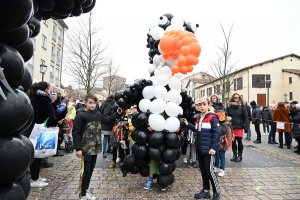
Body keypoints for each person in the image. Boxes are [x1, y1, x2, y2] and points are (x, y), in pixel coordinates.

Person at [72, 94, 122, 200]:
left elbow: (107, 120)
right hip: (85, 148)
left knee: (90, 170)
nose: (93, 105)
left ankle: (86, 190)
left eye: (94, 103)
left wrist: (117, 114)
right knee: (85, 171)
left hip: (95, 148)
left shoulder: (98, 114)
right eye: (90, 103)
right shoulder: (81, 115)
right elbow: (76, 132)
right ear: (85, 102)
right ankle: (83, 195)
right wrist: (78, 148)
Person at [183, 97, 221, 200]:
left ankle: (216, 192)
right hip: (200, 148)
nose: (202, 106)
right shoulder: (199, 117)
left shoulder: (213, 117)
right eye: (199, 105)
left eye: (204, 104)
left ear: (208, 105)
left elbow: (217, 134)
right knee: (203, 170)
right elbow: (197, 129)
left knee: (210, 171)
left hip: (209, 149)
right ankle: (206, 191)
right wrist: (188, 125)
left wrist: (213, 147)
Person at [28, 82, 63, 188]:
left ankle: (36, 176)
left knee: (37, 154)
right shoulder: (43, 99)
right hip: (39, 130)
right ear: (46, 89)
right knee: (37, 155)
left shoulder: (36, 97)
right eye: (50, 88)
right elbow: (42, 117)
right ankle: (34, 178)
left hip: (35, 128)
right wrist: (52, 122)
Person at [227, 94, 249, 162]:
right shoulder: (229, 106)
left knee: (239, 141)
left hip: (239, 126)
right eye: (235, 97)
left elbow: (246, 117)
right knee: (233, 141)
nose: (236, 98)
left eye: (238, 97)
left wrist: (246, 127)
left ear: (240, 98)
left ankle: (240, 156)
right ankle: (234, 155)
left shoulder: (242, 106)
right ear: (232, 98)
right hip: (231, 126)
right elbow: (226, 115)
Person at [214, 110, 233, 177]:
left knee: (222, 156)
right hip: (216, 143)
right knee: (216, 156)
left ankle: (222, 170)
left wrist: (226, 145)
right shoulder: (216, 123)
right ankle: (215, 167)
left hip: (223, 144)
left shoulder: (227, 125)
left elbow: (229, 136)